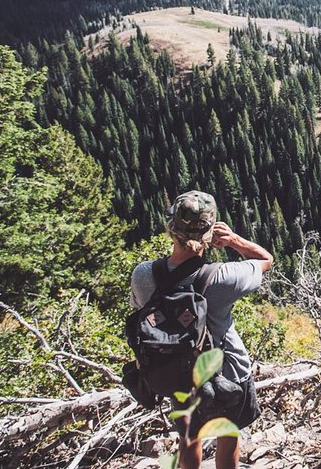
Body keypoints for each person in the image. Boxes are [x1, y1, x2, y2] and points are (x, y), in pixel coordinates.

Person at [130, 190, 274, 469]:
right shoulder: (222, 277)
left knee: (189, 435)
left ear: (171, 228)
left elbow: (139, 312)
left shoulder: (143, 274)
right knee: (228, 432)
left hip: (176, 371)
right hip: (227, 371)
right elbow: (265, 259)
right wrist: (233, 240)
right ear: (210, 233)